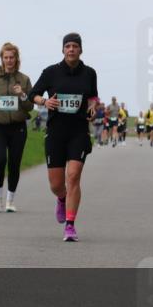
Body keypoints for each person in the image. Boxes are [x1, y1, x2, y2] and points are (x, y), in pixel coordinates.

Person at [28, 33, 99, 242]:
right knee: (56, 184)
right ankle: (61, 198)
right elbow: (32, 94)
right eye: (67, 46)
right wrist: (44, 102)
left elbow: (93, 96)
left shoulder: (89, 73)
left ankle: (70, 225)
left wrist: (93, 105)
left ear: (81, 50)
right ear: (62, 50)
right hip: (56, 133)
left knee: (73, 176)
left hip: (79, 131)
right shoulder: (50, 72)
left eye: (75, 46)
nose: (71, 49)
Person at [0, 43, 33, 212]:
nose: (9, 60)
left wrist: (22, 95)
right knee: (0, 160)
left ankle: (10, 201)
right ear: (2, 59)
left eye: (12, 57)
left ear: (16, 59)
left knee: (14, 164)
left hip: (18, 128)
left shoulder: (24, 79)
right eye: (6, 57)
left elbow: (30, 106)